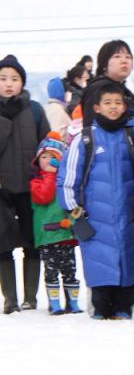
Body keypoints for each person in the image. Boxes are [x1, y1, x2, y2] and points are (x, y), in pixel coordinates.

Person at [58, 81, 134, 319]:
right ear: (96, 107)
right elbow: (67, 181)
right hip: (95, 221)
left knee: (128, 263)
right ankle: (101, 309)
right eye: (108, 103)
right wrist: (77, 217)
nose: (113, 107)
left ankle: (125, 308)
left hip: (129, 217)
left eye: (118, 103)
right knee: (100, 268)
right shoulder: (85, 140)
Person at [0, 54, 50, 313]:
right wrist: (5, 119)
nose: (9, 84)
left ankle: (30, 296)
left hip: (32, 189)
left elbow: (48, 147)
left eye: (14, 79)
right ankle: (10, 298)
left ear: (23, 82)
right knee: (2, 244)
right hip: (2, 190)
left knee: (33, 242)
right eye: (3, 78)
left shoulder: (35, 110)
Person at [29, 131, 82, 315]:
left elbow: (73, 202)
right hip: (48, 235)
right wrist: (51, 176)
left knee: (70, 269)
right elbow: (44, 196)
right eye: (44, 156)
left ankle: (73, 301)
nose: (48, 160)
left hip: (66, 235)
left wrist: (74, 220)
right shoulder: (36, 182)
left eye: (53, 156)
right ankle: (55, 302)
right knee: (51, 271)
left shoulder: (66, 180)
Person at [81, 40, 134, 128]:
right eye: (117, 56)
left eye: (128, 57)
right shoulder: (99, 88)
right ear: (104, 64)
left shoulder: (123, 89)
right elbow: (92, 127)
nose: (124, 61)